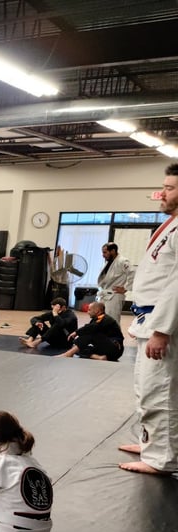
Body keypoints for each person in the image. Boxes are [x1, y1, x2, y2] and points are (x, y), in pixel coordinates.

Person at [119, 163, 178, 476]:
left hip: (164, 323)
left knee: (160, 391)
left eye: (169, 188)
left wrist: (162, 330)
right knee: (146, 388)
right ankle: (152, 444)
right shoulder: (171, 224)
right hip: (149, 318)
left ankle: (162, 459)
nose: (162, 193)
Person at [57, 301, 124, 361]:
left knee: (91, 333)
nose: (87, 312)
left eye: (89, 310)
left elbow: (90, 328)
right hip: (106, 352)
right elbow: (88, 330)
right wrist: (77, 340)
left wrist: (76, 332)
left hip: (115, 349)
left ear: (97, 311)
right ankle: (99, 357)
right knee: (77, 348)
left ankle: (68, 354)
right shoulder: (96, 319)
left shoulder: (106, 319)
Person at [96, 242, 133, 323]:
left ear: (113, 251)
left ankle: (114, 332)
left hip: (115, 295)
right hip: (105, 294)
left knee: (112, 320)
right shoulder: (108, 262)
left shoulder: (122, 261)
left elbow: (132, 273)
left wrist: (125, 288)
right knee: (100, 319)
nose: (103, 255)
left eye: (105, 252)